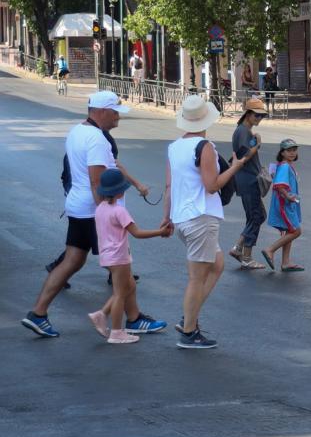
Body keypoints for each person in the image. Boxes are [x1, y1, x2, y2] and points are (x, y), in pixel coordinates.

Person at [22, 91, 158, 338]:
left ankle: (38, 313)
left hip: (78, 207)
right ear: (102, 111)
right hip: (94, 211)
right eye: (115, 112)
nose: (118, 118)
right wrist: (108, 213)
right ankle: (134, 319)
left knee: (73, 260)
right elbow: (97, 180)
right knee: (122, 266)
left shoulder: (77, 131)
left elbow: (102, 170)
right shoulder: (96, 139)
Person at [164, 95, 253, 349]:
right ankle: (189, 330)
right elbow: (212, 186)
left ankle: (188, 319)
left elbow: (170, 185)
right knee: (197, 276)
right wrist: (235, 167)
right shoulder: (204, 147)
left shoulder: (174, 147)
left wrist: (166, 217)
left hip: (183, 217)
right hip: (200, 216)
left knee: (216, 264)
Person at [87, 169, 172, 344]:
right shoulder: (119, 211)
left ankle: (102, 314)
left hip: (107, 256)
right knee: (120, 294)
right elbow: (137, 233)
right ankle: (116, 332)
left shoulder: (100, 208)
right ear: (120, 191)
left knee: (129, 286)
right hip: (119, 257)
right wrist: (161, 232)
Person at [229, 97, 269, 269]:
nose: (259, 119)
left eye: (262, 116)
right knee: (256, 216)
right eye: (257, 115)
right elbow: (244, 158)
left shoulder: (244, 130)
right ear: (248, 114)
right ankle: (245, 254)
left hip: (247, 178)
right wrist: (257, 144)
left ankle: (240, 249)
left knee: (257, 215)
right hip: (248, 179)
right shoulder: (243, 131)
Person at [261, 138, 303, 272]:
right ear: (282, 152)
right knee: (296, 231)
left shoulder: (285, 165)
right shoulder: (285, 166)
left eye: (294, 150)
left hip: (288, 203)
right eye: (288, 150)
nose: (292, 153)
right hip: (285, 204)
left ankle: (286, 262)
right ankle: (270, 250)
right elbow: (279, 185)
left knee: (289, 231)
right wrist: (287, 196)